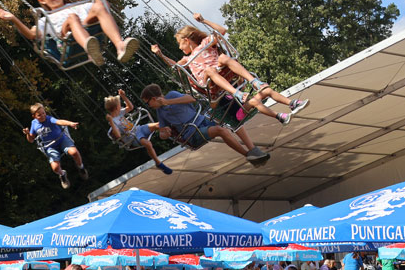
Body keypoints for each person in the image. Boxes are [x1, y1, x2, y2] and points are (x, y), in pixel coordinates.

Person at [151, 14, 308, 125]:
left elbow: (222, 31)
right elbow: (175, 66)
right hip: (207, 83)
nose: (179, 47)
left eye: (180, 43)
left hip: (223, 73)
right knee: (210, 71)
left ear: (186, 40)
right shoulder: (186, 59)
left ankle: (278, 95)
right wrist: (160, 55)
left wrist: (203, 20)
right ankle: (240, 95)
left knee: (225, 59)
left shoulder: (205, 42)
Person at [0, 0, 139, 66]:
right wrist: (14, 19)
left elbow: (105, 7)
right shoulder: (46, 19)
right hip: (65, 41)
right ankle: (89, 48)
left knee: (98, 6)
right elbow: (32, 35)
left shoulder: (77, 6)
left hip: (88, 27)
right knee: (72, 18)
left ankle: (120, 46)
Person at [141, 84, 271, 163]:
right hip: (192, 133)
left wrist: (167, 102)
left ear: (153, 98)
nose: (149, 106)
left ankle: (252, 148)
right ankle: (248, 155)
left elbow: (190, 98)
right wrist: (164, 133)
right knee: (221, 131)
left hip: (202, 120)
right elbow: (163, 131)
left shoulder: (171, 95)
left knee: (230, 123)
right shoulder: (160, 112)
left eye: (148, 103)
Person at [106, 89, 172, 174]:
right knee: (148, 144)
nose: (121, 106)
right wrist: (111, 122)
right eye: (120, 105)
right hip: (133, 137)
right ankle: (158, 163)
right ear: (116, 108)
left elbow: (130, 107)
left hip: (138, 129)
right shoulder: (114, 122)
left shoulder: (119, 113)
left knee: (159, 125)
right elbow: (118, 135)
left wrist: (123, 96)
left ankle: (174, 134)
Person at [23, 103, 88, 189]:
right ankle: (62, 174)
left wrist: (70, 123)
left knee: (74, 152)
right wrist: (27, 134)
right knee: (55, 168)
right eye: (39, 115)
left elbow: (59, 121)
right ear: (34, 116)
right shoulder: (34, 124)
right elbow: (31, 140)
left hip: (61, 140)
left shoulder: (49, 119)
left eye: (43, 113)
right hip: (50, 146)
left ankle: (81, 167)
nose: (43, 116)